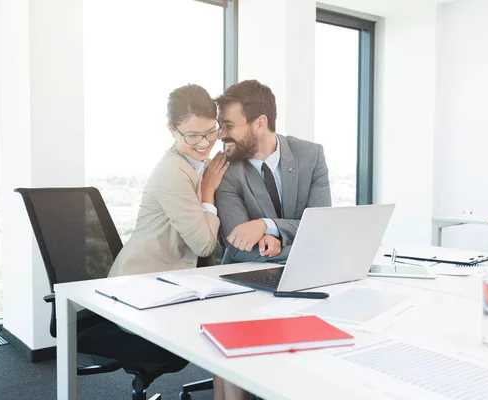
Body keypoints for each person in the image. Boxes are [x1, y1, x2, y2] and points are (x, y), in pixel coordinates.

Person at [107, 84, 248, 400]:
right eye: (192, 136)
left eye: (210, 132)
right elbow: (202, 245)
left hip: (172, 281)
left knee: (231, 327)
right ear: (171, 130)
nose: (204, 143)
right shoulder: (173, 170)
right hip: (139, 289)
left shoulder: (195, 164)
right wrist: (209, 191)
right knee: (229, 331)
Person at [215, 79, 332, 264]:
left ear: (260, 124)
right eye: (220, 126)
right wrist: (296, 246)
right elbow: (238, 245)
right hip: (247, 277)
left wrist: (267, 226)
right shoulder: (225, 169)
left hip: (308, 271)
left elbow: (321, 227)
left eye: (229, 126)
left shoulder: (311, 156)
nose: (221, 135)